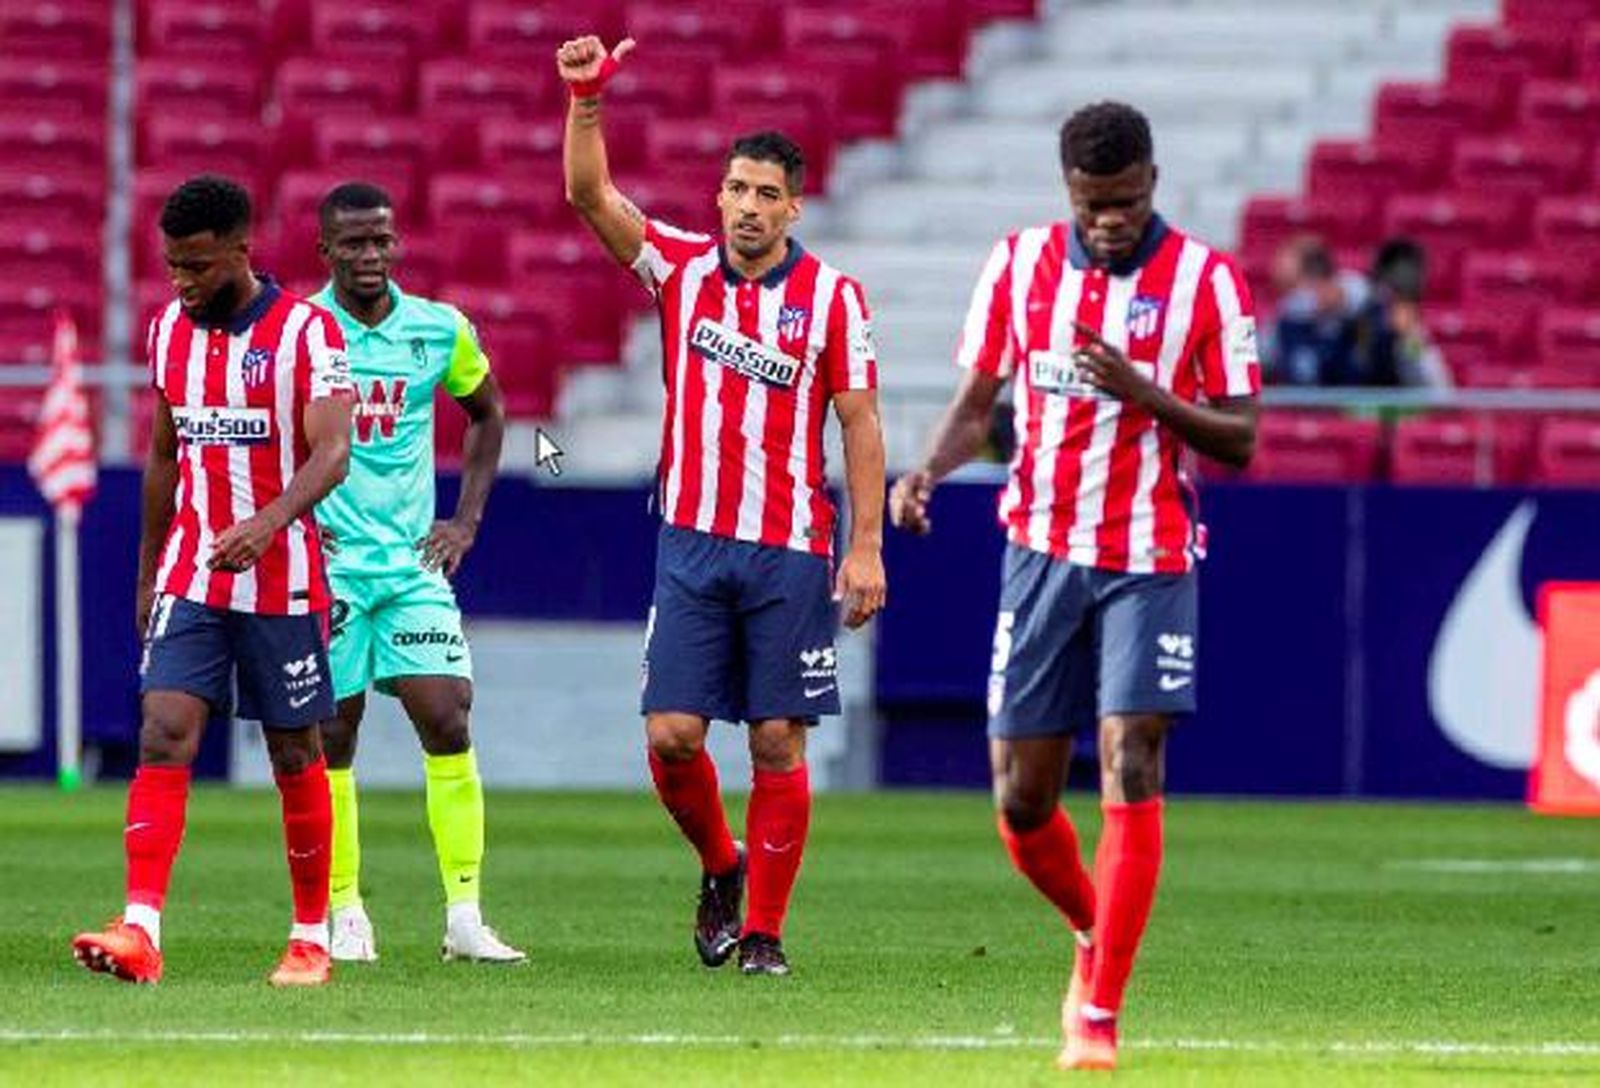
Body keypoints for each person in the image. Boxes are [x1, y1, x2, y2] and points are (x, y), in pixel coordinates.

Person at [889, 102, 1260, 1070]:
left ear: (1153, 180)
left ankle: (1098, 1008)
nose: (1109, 221)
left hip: (1151, 550)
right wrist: (926, 470)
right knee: (1020, 798)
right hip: (1040, 549)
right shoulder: (1017, 267)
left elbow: (1242, 437)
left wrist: (1144, 392)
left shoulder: (1206, 282)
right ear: (1068, 191)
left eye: (1126, 202)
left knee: (1131, 755)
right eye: (1093, 204)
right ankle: (1096, 930)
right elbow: (978, 405)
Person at [559, 35, 888, 976]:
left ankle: (767, 935)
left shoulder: (832, 298)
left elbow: (860, 423)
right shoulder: (680, 269)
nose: (747, 207)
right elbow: (591, 197)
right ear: (719, 197)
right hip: (692, 542)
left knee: (779, 739)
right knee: (671, 738)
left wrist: (864, 548)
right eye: (736, 189)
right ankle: (720, 865)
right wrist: (588, 99)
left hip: (788, 546)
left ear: (794, 205)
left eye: (765, 194)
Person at [71, 175, 355, 986]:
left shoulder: (306, 334)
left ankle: (310, 938)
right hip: (195, 572)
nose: (183, 282)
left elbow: (333, 452)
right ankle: (140, 930)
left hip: (285, 581)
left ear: (241, 250)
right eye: (171, 267)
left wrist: (267, 523)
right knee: (164, 730)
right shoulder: (168, 331)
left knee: (294, 750)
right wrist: (150, 570)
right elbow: (165, 453)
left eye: (197, 266)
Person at [308, 182, 524, 964]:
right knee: (333, 732)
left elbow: (491, 412)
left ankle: (464, 915)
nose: (370, 257)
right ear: (323, 250)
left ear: (397, 245)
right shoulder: (302, 332)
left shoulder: (439, 329)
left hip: (409, 565)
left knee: (448, 715)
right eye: (353, 244)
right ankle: (345, 913)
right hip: (329, 568)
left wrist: (464, 520)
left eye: (381, 242)